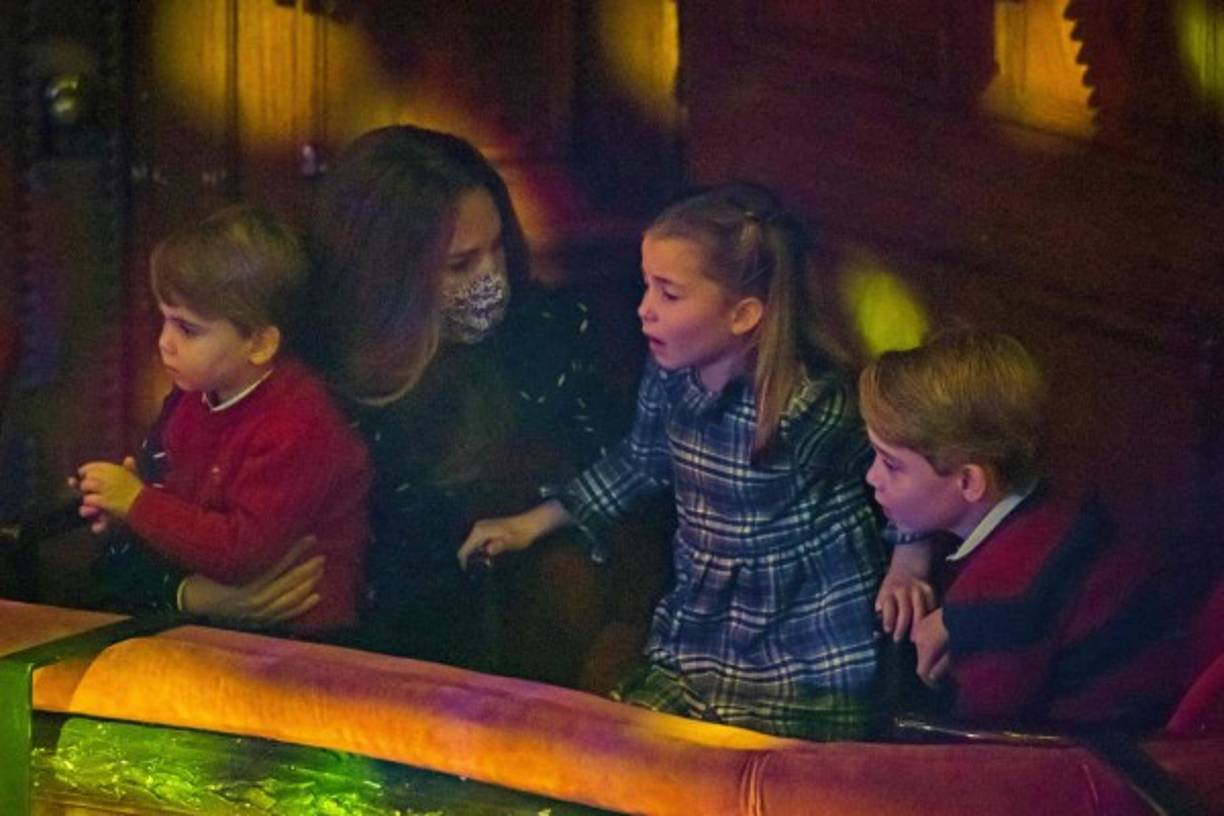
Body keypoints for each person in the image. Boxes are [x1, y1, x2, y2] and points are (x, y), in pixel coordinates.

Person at [459, 183, 887, 740]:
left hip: (800, 646)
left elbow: (890, 482)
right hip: (701, 628)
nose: (644, 310)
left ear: (743, 314)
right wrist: (531, 523)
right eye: (646, 286)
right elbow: (639, 461)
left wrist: (909, 558)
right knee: (623, 746)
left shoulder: (807, 409)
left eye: (669, 293)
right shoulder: (669, 374)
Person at [305, 125, 623, 670]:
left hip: (513, 673)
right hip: (357, 674)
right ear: (385, 274)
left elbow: (623, 482)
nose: (490, 278)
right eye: (459, 264)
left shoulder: (550, 336)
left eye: (497, 248)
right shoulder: (308, 374)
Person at [859, 328, 1182, 729]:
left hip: (1096, 758)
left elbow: (986, 741)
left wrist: (966, 622)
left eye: (891, 465)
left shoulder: (997, 599)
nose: (873, 477)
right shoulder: (1052, 499)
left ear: (969, 482)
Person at [74, 204, 371, 637]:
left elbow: (241, 553)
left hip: (304, 640)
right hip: (223, 625)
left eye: (187, 329)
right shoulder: (195, 397)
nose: (164, 343)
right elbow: (189, 504)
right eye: (164, 319)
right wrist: (126, 507)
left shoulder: (298, 426)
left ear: (259, 343)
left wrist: (139, 503)